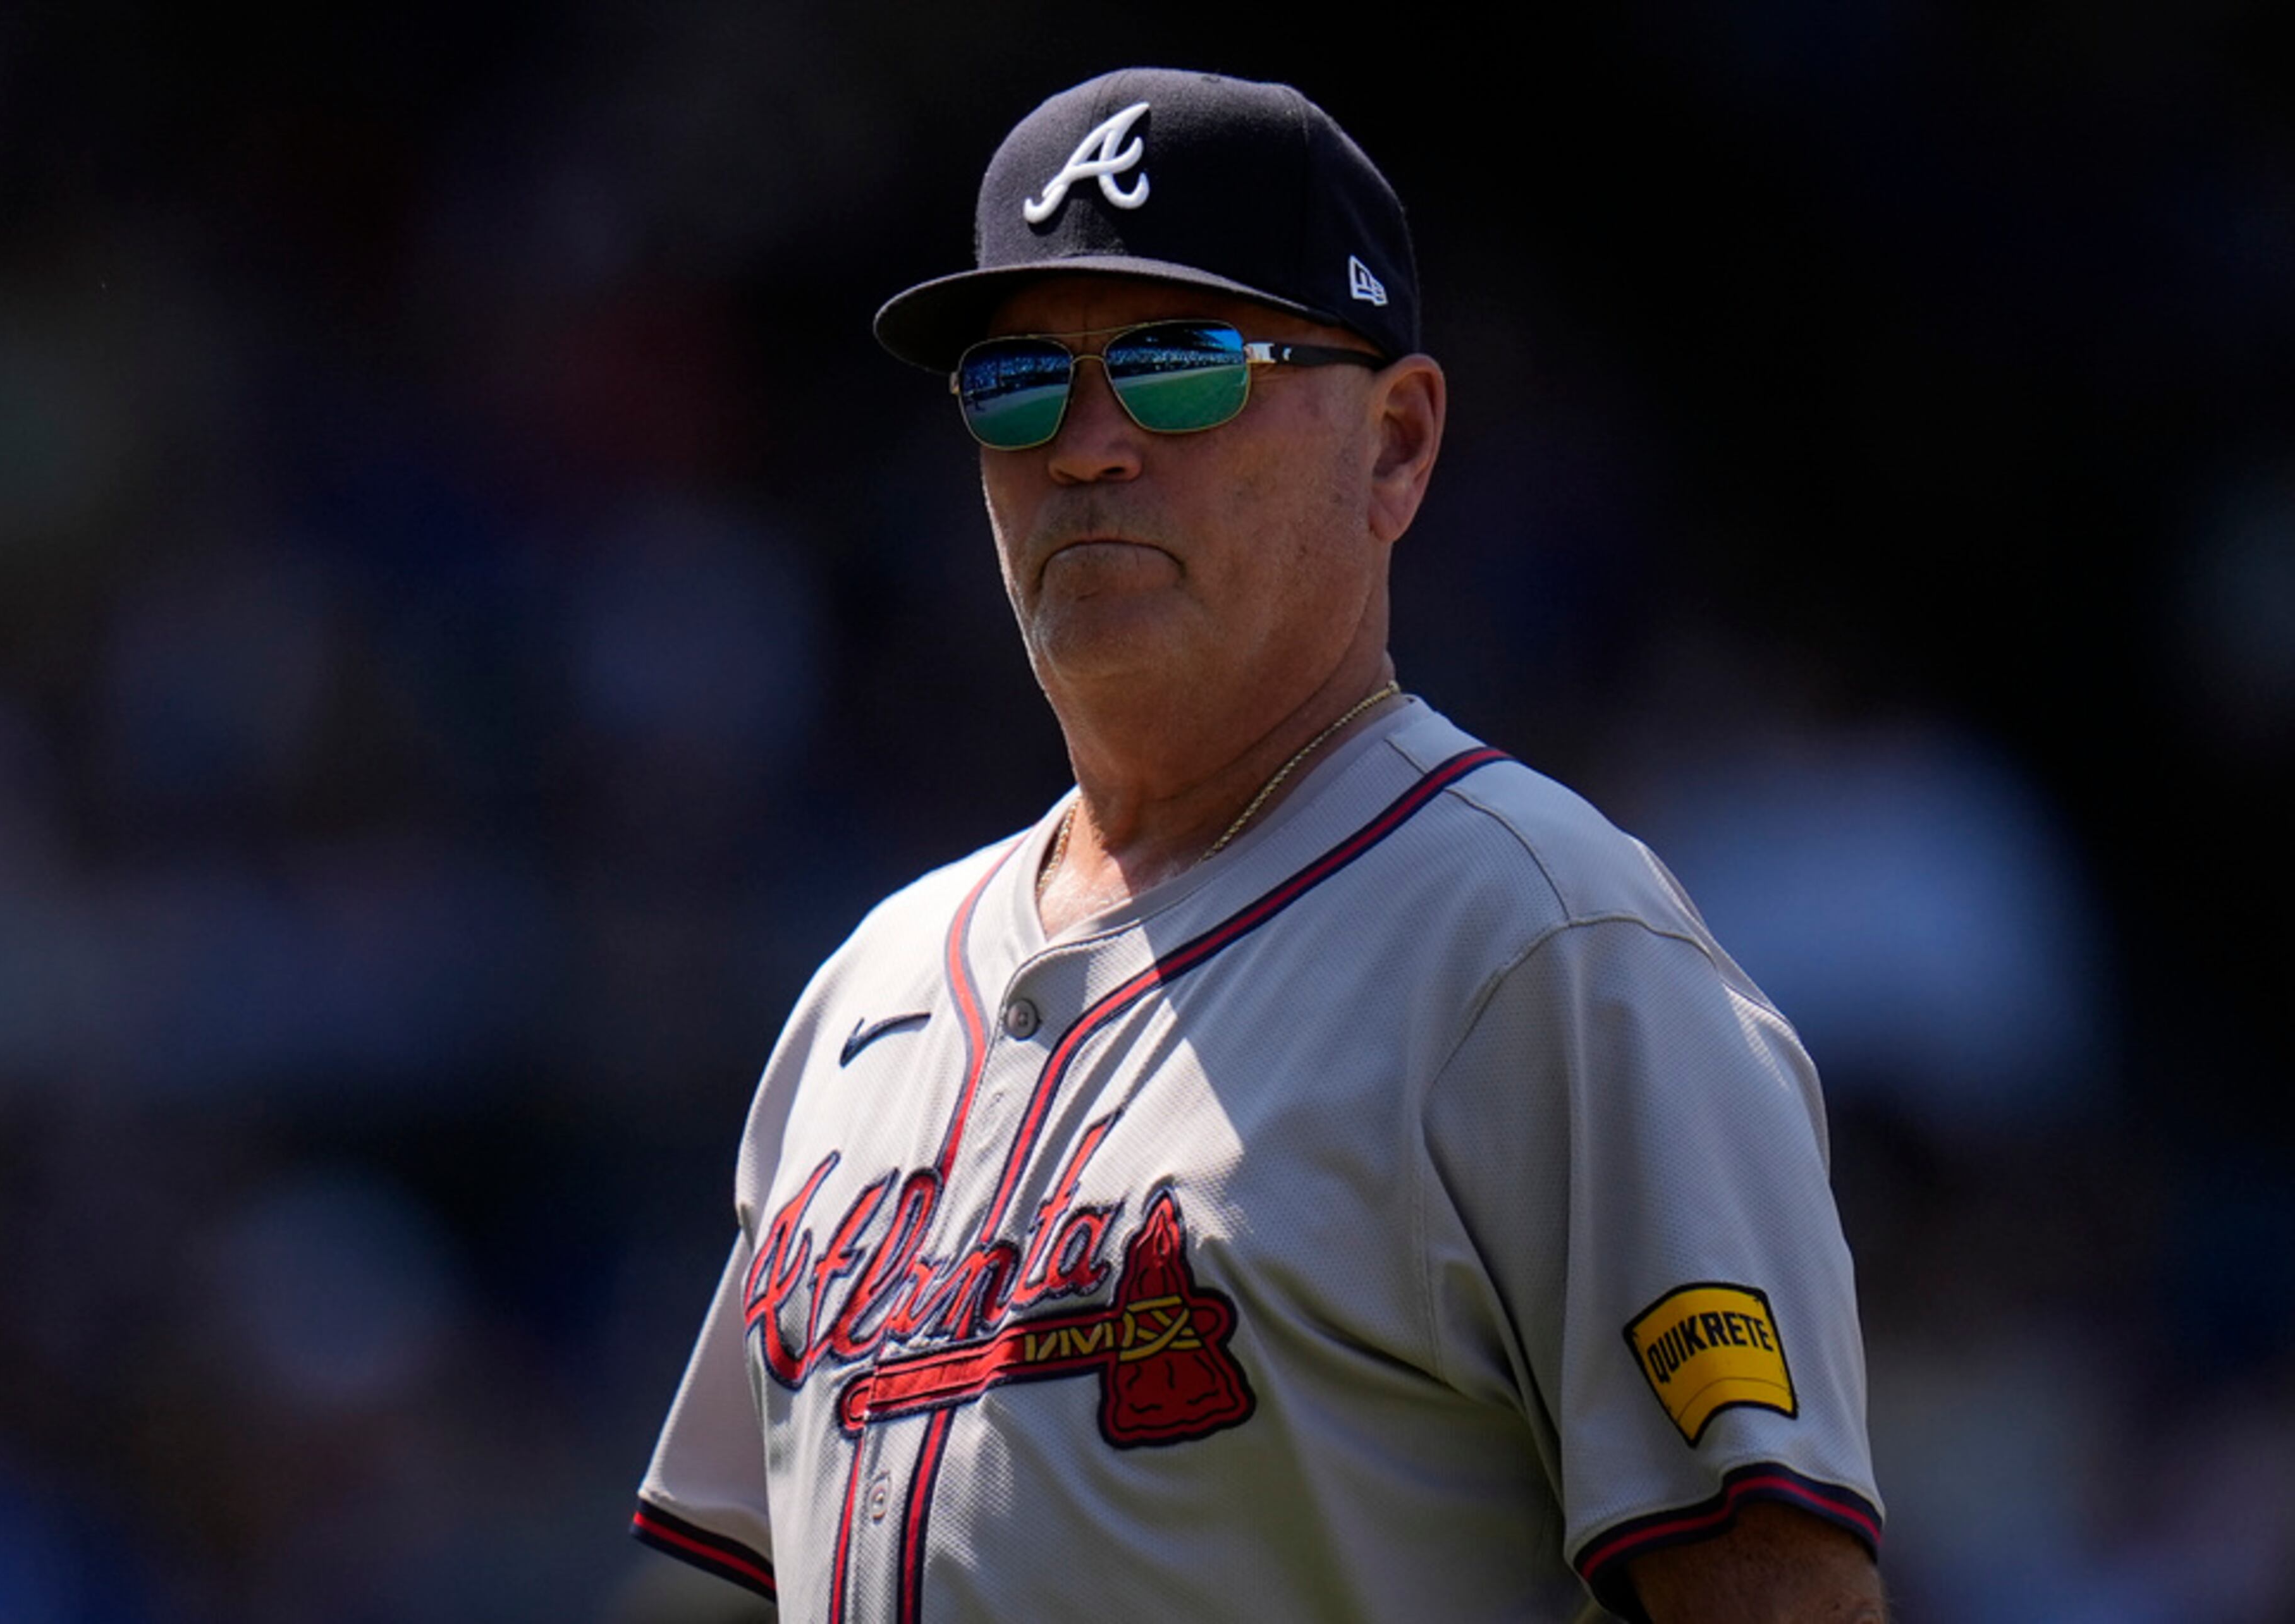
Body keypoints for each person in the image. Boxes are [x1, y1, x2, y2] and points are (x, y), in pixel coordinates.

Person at [633, 68, 1885, 1623]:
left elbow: (1775, 1599)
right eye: (1018, 381)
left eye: (1178, 365)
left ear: (1397, 445)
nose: (1086, 445)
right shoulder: (863, 996)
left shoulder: (1538, 948)